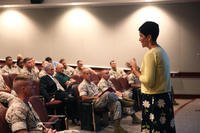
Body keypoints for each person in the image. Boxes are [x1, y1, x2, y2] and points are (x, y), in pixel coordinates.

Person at [128, 21, 176, 133]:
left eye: (141, 36)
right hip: (164, 98)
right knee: (164, 127)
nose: (139, 39)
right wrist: (139, 70)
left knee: (153, 128)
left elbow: (148, 81)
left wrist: (135, 70)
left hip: (154, 99)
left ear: (149, 37)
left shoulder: (150, 54)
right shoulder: (161, 51)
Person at [78, 68, 127, 133]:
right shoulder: (82, 85)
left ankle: (117, 127)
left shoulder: (92, 83)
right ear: (83, 75)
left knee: (117, 103)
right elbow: (83, 98)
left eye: (90, 73)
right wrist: (94, 97)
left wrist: (100, 94)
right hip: (94, 102)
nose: (89, 75)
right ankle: (123, 101)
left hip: (101, 100)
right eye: (87, 74)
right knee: (107, 93)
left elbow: (98, 92)